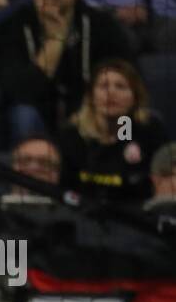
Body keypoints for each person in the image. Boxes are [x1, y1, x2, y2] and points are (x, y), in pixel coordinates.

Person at [0, 0, 133, 140]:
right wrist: (56, 41)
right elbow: (18, 93)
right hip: (37, 123)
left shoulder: (103, 26)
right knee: (23, 114)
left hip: (91, 116)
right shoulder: (10, 27)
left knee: (131, 116)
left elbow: (131, 82)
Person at [57, 58, 168, 204]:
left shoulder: (148, 131)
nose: (111, 93)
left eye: (120, 87)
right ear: (91, 96)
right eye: (103, 86)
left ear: (135, 97)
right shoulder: (72, 134)